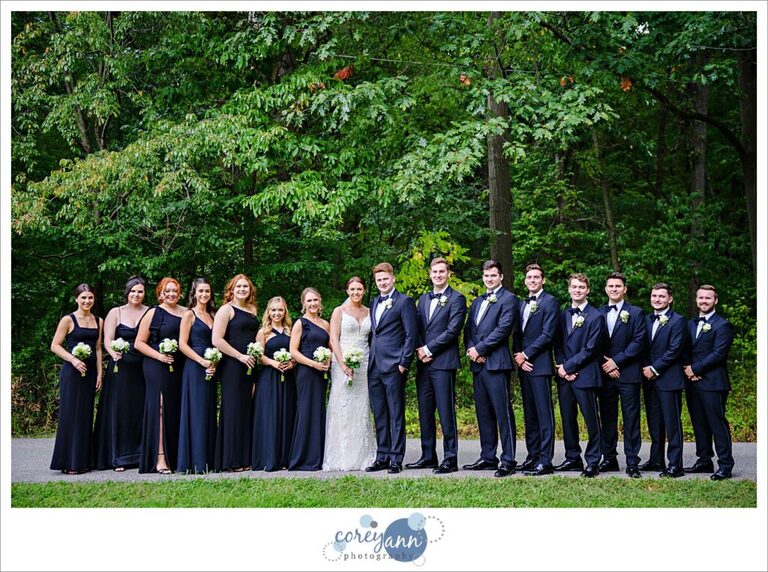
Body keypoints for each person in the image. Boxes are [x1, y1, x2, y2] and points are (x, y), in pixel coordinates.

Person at [408, 258, 466, 474]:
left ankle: (450, 459)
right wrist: (419, 350)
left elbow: (453, 331)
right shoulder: (422, 299)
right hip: (423, 364)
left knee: (445, 412)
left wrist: (428, 349)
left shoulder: (457, 299)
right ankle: (428, 456)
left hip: (443, 363)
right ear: (429, 274)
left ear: (448, 273)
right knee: (425, 412)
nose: (438, 275)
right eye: (435, 272)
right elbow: (416, 329)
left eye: (442, 271)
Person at [462, 260, 519, 478]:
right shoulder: (476, 302)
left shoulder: (509, 299)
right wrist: (471, 349)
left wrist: (481, 349)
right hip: (478, 365)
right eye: (486, 276)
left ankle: (509, 459)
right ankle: (488, 456)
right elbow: (468, 330)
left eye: (493, 275)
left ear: (501, 276)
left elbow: (503, 329)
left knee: (502, 413)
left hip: (496, 363)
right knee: (483, 412)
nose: (489, 279)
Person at [365, 263, 417, 474]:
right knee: (379, 413)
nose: (382, 283)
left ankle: (396, 458)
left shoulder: (404, 302)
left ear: (393, 278)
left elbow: (411, 335)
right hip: (375, 365)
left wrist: (404, 363)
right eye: (379, 280)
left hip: (395, 365)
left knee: (396, 413)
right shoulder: (374, 302)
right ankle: (382, 456)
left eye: (385, 279)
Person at [553, 273, 606, 478]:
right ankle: (572, 457)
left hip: (586, 375)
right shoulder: (563, 314)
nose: (577, 290)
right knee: (568, 419)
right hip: (565, 376)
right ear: (569, 289)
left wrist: (569, 367)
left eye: (581, 288)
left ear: (588, 290)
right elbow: (557, 343)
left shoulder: (596, 316)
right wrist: (561, 367)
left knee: (591, 420)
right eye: (574, 287)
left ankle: (593, 461)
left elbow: (591, 349)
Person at [93, 276, 148, 472]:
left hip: (141, 368)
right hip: (120, 368)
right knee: (120, 411)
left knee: (139, 411)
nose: (136, 295)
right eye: (133, 291)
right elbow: (106, 339)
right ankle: (118, 457)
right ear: (127, 292)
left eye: (140, 291)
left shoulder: (149, 312)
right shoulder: (115, 312)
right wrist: (112, 350)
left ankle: (140, 454)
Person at [596, 272, 647, 478]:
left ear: (625, 289)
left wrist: (616, 362)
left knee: (631, 418)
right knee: (607, 418)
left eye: (618, 286)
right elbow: (592, 343)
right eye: (611, 286)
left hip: (628, 374)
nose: (614, 289)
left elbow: (638, 342)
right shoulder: (597, 312)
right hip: (605, 374)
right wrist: (605, 363)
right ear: (606, 289)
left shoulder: (636, 313)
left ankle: (632, 461)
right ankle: (609, 458)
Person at [323, 277, 377, 471]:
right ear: (347, 290)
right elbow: (333, 340)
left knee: (362, 406)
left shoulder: (370, 311)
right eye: (352, 289)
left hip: (364, 364)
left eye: (359, 289)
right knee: (343, 406)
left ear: (363, 291)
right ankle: (341, 456)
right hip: (342, 361)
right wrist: (343, 363)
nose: (356, 292)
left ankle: (363, 455)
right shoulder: (339, 311)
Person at [50, 283, 103, 474]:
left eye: (90, 297)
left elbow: (98, 348)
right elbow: (55, 345)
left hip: (89, 375)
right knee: (70, 414)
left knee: (86, 414)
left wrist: (99, 374)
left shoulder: (98, 320)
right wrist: (73, 360)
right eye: (83, 298)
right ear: (76, 299)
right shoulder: (68, 320)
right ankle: (69, 462)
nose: (87, 301)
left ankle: (83, 460)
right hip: (72, 373)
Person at [683, 285, 735, 481]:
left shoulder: (723, 325)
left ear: (715, 301)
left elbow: (719, 354)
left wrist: (695, 369)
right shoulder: (690, 324)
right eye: (701, 298)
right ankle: (704, 460)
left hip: (713, 382)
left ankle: (725, 465)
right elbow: (684, 348)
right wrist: (688, 368)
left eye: (708, 298)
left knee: (717, 423)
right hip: (692, 382)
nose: (704, 301)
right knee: (698, 423)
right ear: (696, 300)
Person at [135, 277, 187, 474]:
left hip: (179, 365)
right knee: (160, 407)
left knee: (175, 407)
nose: (171, 294)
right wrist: (159, 356)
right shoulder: (153, 313)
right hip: (156, 364)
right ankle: (160, 457)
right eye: (168, 291)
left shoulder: (185, 313)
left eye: (175, 291)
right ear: (160, 293)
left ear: (180, 293)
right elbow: (139, 343)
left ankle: (176, 455)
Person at [513, 263, 559, 476]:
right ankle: (532, 455)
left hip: (540, 366)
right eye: (529, 277)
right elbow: (517, 334)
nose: (532, 280)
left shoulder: (550, 302)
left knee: (543, 414)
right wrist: (518, 357)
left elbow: (547, 335)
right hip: (524, 366)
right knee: (530, 414)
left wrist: (527, 354)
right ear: (525, 280)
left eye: (536, 277)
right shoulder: (522, 304)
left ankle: (545, 460)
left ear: (543, 280)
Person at [212, 274, 259, 472]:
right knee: (232, 410)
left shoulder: (252, 309)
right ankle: (230, 460)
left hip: (250, 364)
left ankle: (244, 456)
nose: (242, 289)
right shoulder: (226, 310)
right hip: (232, 365)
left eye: (245, 287)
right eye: (238, 286)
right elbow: (217, 340)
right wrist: (239, 356)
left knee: (246, 409)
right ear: (231, 289)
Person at [641, 282, 687, 478]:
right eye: (654, 296)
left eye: (661, 296)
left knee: (672, 423)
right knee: (654, 422)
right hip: (649, 380)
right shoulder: (646, 319)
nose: (657, 299)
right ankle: (656, 459)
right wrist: (645, 367)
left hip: (668, 379)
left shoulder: (678, 321)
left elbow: (674, 350)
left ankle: (676, 465)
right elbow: (641, 346)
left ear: (670, 299)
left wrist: (654, 368)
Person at [177, 278, 218, 474]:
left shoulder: (213, 315)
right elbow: (182, 344)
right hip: (194, 367)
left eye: (207, 291)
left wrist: (214, 362)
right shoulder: (189, 315)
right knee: (196, 411)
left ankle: (208, 459)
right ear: (194, 293)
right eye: (201, 291)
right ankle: (195, 462)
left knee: (209, 410)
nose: (204, 295)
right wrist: (201, 362)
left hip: (211, 365)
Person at [251, 296, 297, 471]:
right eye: (273, 310)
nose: (276, 313)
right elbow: (258, 355)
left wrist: (292, 363)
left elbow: (296, 352)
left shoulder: (290, 331)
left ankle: (285, 457)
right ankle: (268, 458)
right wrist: (273, 363)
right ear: (268, 312)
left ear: (285, 311)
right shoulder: (263, 332)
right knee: (270, 415)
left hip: (288, 378)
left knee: (286, 413)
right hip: (269, 377)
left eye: (280, 310)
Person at [288, 287, 331, 471]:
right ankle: (302, 459)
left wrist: (327, 359)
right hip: (306, 372)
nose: (313, 304)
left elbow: (330, 346)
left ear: (319, 301)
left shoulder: (325, 324)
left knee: (318, 411)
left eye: (315, 300)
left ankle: (318, 456)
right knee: (306, 410)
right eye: (309, 301)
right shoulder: (300, 323)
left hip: (322, 373)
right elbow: (293, 351)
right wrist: (313, 364)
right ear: (303, 303)